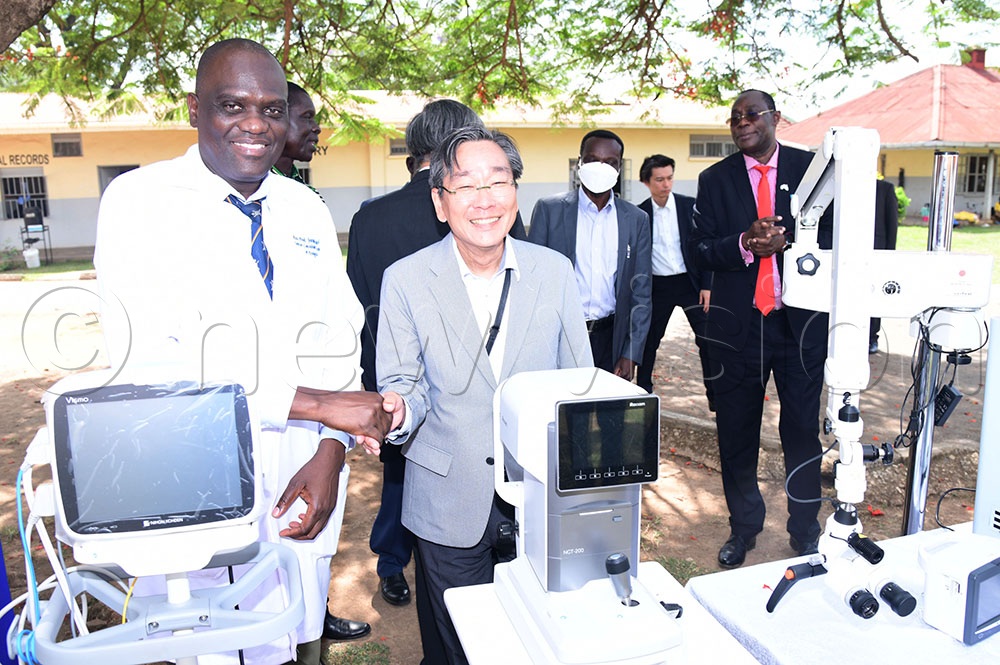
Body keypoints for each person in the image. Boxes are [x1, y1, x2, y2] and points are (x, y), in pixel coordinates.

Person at [94, 38, 391, 665]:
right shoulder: (139, 203)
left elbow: (337, 334)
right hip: (190, 475)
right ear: (194, 110)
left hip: (299, 468)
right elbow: (157, 360)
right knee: (200, 642)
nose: (255, 124)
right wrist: (320, 406)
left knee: (289, 636)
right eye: (232, 105)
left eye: (273, 109)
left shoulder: (302, 206)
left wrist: (330, 452)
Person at [374, 126, 592, 664]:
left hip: (540, 495)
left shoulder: (555, 272)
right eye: (466, 185)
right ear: (440, 201)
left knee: (536, 636)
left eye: (499, 181)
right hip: (449, 496)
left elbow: (579, 382)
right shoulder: (405, 280)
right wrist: (398, 412)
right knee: (460, 644)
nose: (485, 199)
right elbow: (403, 385)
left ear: (516, 192)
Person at [346, 100, 526, 619]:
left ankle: (391, 566)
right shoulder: (488, 210)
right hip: (475, 385)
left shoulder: (370, 217)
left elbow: (360, 298)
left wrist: (383, 383)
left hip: (395, 378)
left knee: (405, 476)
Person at [689, 89, 830, 569]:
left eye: (752, 114)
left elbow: (836, 238)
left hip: (800, 325)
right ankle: (743, 528)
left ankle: (805, 529)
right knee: (737, 431)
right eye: (734, 118)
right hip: (739, 327)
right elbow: (702, 250)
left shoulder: (813, 171)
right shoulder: (715, 180)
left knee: (801, 431)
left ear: (776, 118)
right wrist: (745, 243)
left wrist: (790, 241)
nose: (742, 123)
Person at [270, 79, 371, 643]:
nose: (314, 130)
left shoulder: (304, 201)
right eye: (305, 118)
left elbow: (337, 319)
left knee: (308, 539)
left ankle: (315, 613)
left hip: (319, 416)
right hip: (275, 414)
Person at [528, 129, 651, 380]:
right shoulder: (549, 211)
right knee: (560, 412)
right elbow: (532, 283)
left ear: (618, 170)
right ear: (580, 162)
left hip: (611, 338)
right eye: (593, 159)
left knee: (605, 414)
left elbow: (642, 292)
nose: (601, 167)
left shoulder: (636, 220)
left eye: (610, 163)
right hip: (561, 335)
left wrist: (631, 352)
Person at [635, 154, 714, 409]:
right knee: (649, 341)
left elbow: (704, 247)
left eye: (669, 178)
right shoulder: (640, 214)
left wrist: (707, 284)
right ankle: (643, 391)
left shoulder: (689, 206)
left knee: (708, 340)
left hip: (690, 284)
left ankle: (716, 395)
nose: (666, 184)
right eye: (659, 179)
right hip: (658, 287)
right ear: (646, 182)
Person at [870, 178, 899, 354]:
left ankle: (872, 337)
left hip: (877, 252)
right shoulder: (842, 184)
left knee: (873, 295)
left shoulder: (884, 189)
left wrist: (889, 257)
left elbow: (892, 225)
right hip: (847, 252)